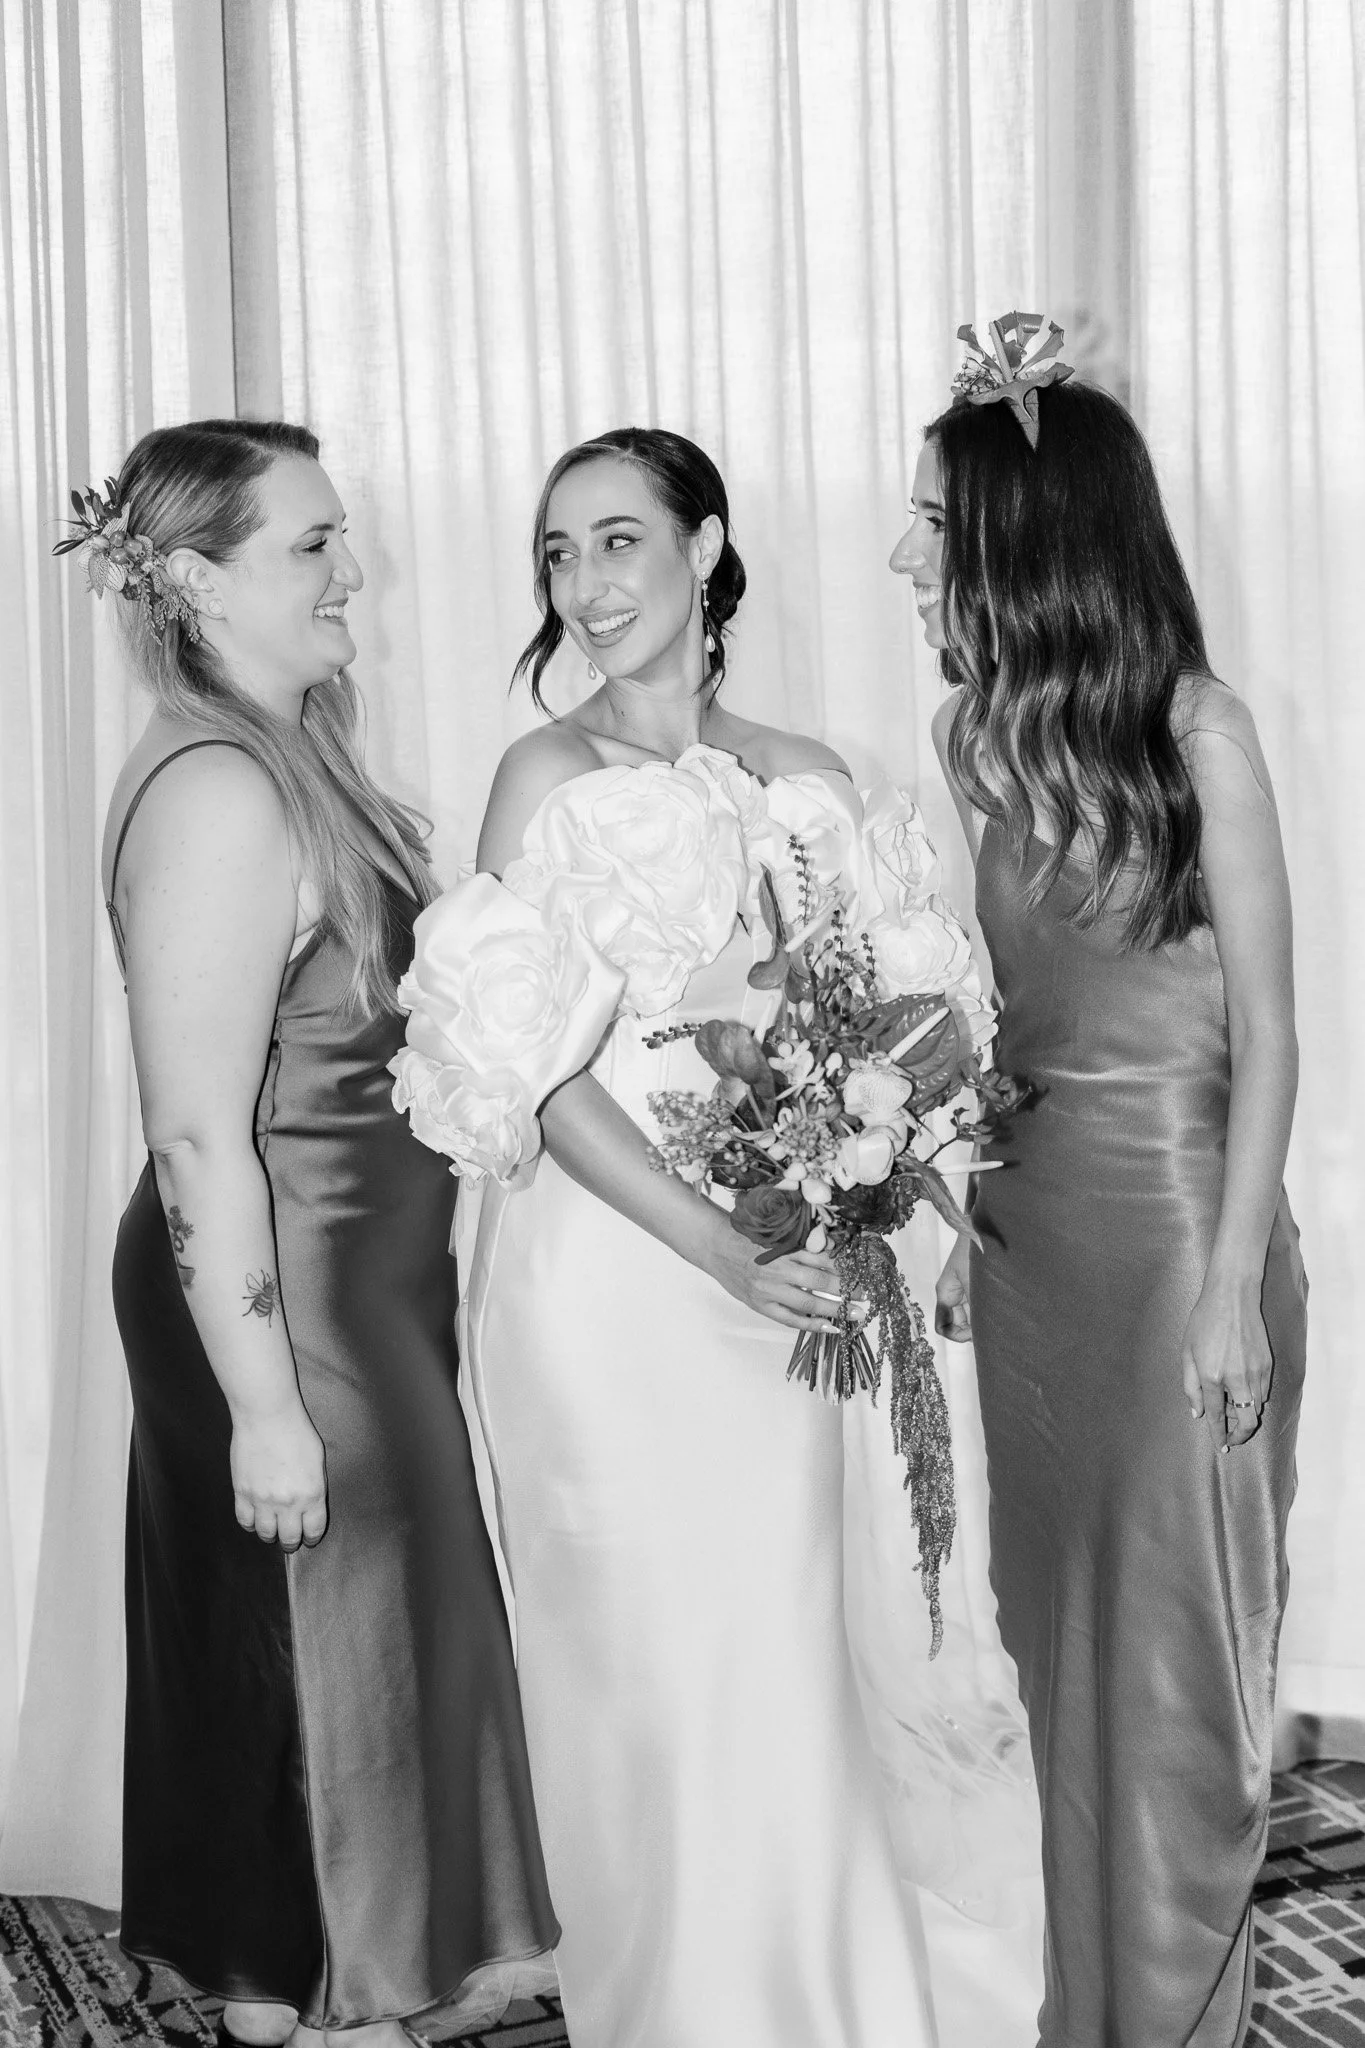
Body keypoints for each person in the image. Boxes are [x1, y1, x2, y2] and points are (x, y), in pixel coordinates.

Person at [389, 428, 938, 2046]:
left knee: (775, 1651)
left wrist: (861, 1181)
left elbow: (879, 1033)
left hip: (784, 1282)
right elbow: (530, 1072)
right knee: (640, 1667)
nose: (584, 583)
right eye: (557, 553)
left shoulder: (811, 774)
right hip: (610, 1283)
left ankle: (813, 2003)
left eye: (618, 539)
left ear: (703, 548)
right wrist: (715, 1246)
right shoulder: (543, 779)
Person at [74, 420, 556, 2048]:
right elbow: (198, 1132)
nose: (355, 569)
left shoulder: (284, 757)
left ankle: (314, 1991)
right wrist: (266, 1402)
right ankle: (333, 2003)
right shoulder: (220, 791)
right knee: (324, 1657)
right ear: (197, 581)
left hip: (353, 1286)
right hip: (282, 1302)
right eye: (314, 545)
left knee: (338, 1650)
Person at [892, 317, 1308, 2045]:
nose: (908, 554)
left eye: (936, 521)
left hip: (1182, 1248)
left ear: (1033, 535)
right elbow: (1007, 1016)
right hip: (1032, 1249)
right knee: (1061, 1653)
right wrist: (950, 1203)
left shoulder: (1201, 732)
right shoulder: (967, 735)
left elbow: (1270, 1035)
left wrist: (1229, 1290)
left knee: (1178, 1670)